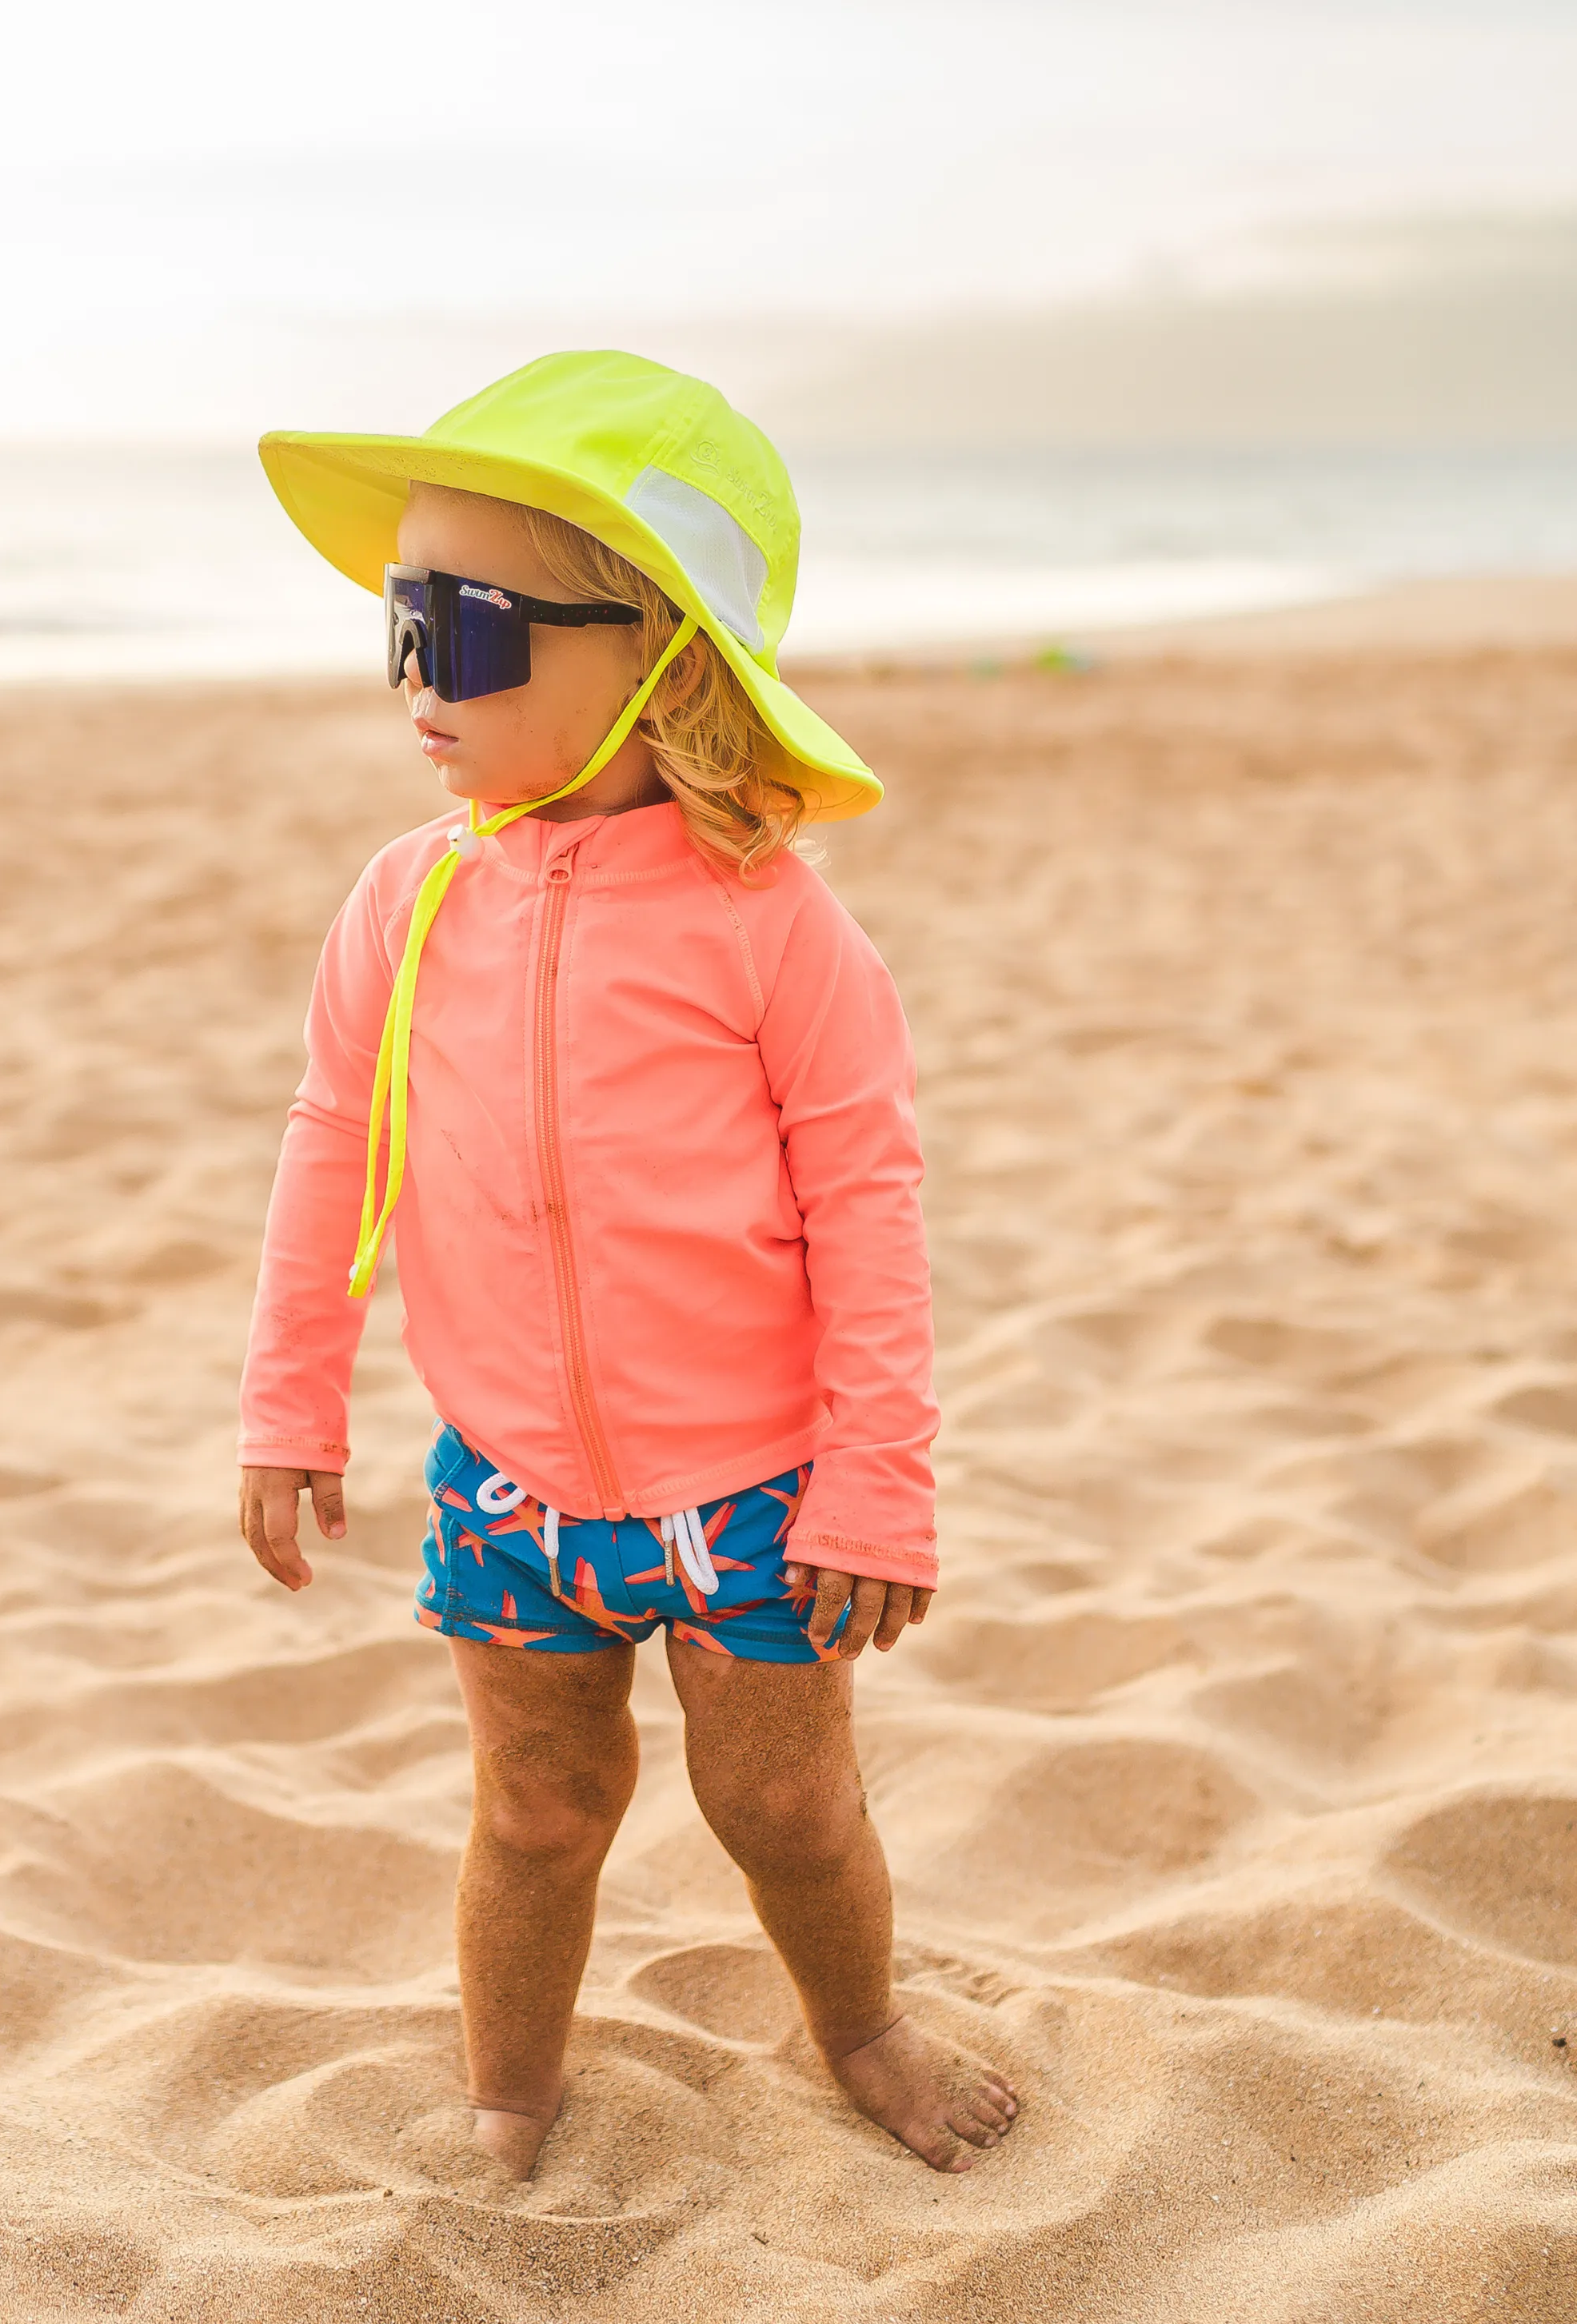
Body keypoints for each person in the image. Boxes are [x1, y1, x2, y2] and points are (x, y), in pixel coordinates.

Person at [237, 352, 1017, 2179]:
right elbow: (330, 1143)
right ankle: (510, 2095)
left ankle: (866, 2028)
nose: (421, 672)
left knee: (783, 1802)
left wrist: (879, 1485)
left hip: (752, 1483)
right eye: (399, 621)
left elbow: (868, 1206)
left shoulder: (772, 926)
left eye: (474, 625)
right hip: (503, 1475)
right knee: (540, 1803)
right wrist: (290, 1401)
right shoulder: (406, 903)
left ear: (662, 659)